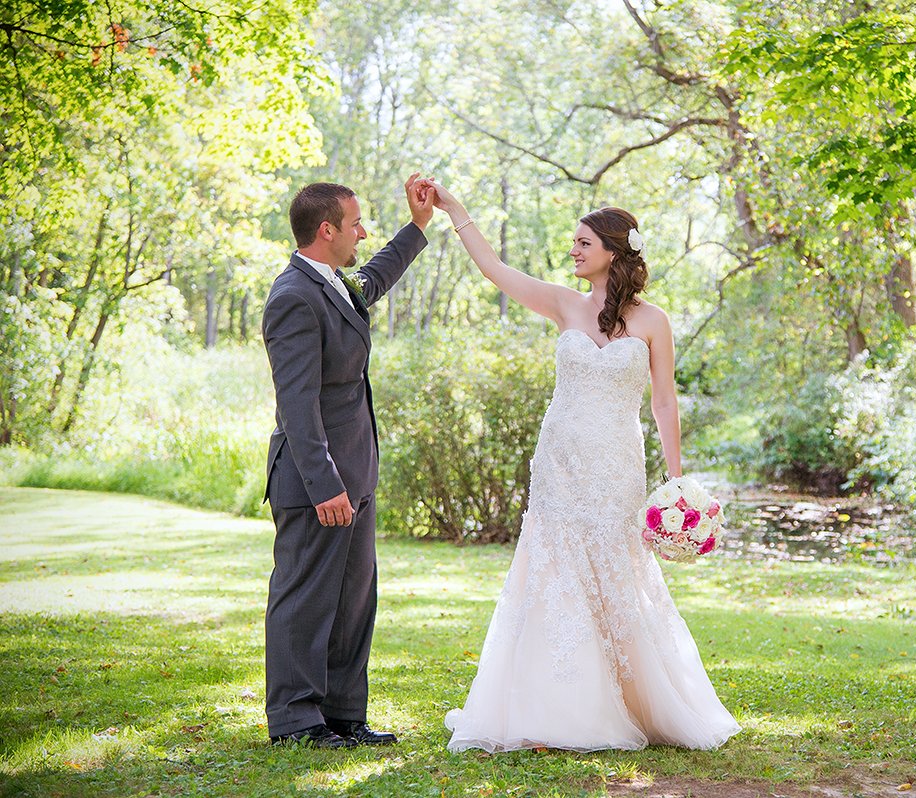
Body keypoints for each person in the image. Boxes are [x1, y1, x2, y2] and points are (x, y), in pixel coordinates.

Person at [429, 182, 741, 752]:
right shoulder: (562, 303)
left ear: (615, 250)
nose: (573, 250)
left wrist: (675, 481)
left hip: (617, 461)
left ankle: (634, 700)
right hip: (560, 460)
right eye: (572, 242)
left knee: (615, 567)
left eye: (583, 242)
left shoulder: (653, 321)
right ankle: (556, 701)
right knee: (554, 563)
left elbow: (664, 400)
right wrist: (455, 211)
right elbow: (495, 269)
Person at [261, 174, 433, 748]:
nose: (364, 231)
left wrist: (418, 227)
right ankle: (295, 721)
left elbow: (377, 276)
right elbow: (298, 404)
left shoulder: (334, 282)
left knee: (353, 600)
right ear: (326, 229)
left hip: (356, 476)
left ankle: (341, 715)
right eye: (356, 223)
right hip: (318, 483)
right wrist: (325, 484)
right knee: (305, 599)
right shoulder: (292, 296)